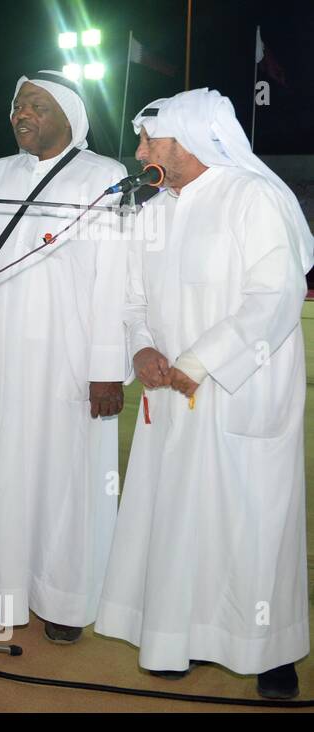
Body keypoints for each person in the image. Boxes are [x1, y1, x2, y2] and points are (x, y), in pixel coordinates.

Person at [96, 89, 312, 699]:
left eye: (148, 139)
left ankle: (270, 653)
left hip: (240, 388)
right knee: (177, 519)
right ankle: (175, 638)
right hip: (168, 394)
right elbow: (133, 299)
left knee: (252, 519)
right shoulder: (154, 209)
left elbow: (274, 296)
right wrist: (141, 347)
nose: (139, 151)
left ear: (187, 139)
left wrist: (199, 362)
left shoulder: (256, 197)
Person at [0, 70, 130, 641]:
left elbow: (115, 281)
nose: (19, 113)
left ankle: (63, 598)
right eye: (16, 104)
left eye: (34, 105)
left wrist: (107, 370)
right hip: (3, 353)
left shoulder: (105, 176)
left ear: (69, 118)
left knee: (64, 479)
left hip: (69, 359)